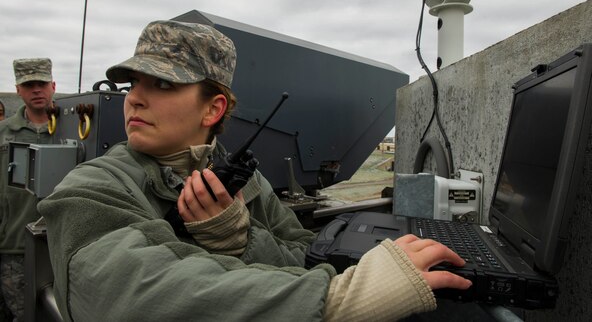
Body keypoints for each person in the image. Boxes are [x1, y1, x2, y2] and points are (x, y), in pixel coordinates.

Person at [38, 20, 471, 322]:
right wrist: (335, 300)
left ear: (214, 108)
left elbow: (305, 253)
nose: (134, 99)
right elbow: (121, 294)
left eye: (163, 84)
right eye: (134, 84)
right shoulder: (95, 186)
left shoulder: (247, 182)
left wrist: (240, 239)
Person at [0, 58, 56, 321]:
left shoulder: (78, 129)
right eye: (29, 84)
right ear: (18, 90)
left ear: (53, 86)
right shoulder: (4, 133)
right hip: (14, 246)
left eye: (42, 83)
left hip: (60, 245)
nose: (36, 90)